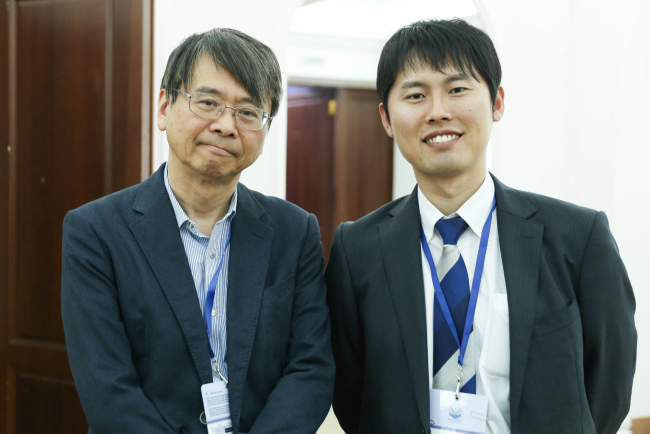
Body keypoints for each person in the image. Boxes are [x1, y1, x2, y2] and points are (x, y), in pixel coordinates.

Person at [325, 19, 636, 434]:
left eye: (457, 89)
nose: (438, 112)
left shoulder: (579, 236)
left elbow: (608, 385)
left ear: (497, 102)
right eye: (415, 95)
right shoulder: (357, 249)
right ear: (386, 118)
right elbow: (351, 393)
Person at [62, 28, 334, 434]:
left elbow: (310, 369)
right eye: (208, 103)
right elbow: (108, 389)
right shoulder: (95, 231)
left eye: (248, 112)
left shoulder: (295, 232)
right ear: (164, 107)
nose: (226, 125)